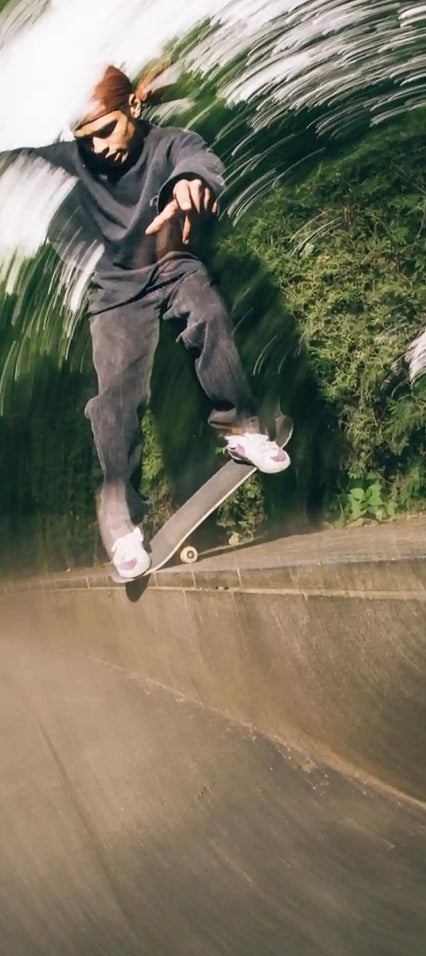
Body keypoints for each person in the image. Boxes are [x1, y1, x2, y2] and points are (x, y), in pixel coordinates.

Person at [0, 64, 290, 579]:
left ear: (134, 108)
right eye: (87, 140)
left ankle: (240, 426)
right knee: (114, 398)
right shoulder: (77, 156)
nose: (100, 149)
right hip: (114, 291)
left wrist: (190, 185)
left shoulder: (169, 143)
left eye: (107, 130)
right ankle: (121, 522)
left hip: (171, 265)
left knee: (207, 312)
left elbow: (198, 160)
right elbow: (16, 157)